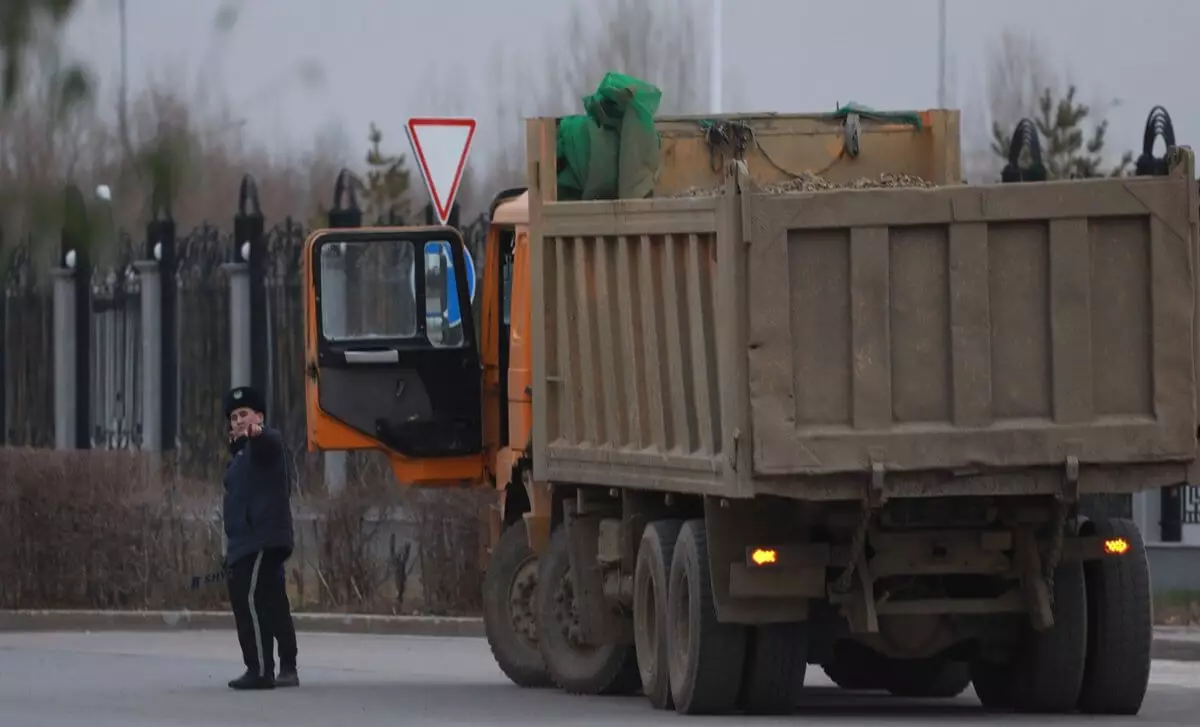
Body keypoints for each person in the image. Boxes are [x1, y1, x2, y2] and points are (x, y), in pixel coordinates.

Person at [222, 385, 299, 690]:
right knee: (271, 601)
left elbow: (271, 440)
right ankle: (286, 666)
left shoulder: (265, 445)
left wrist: (258, 432)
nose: (238, 420)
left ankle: (261, 670)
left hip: (261, 539)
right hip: (245, 543)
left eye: (244, 414)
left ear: (259, 416)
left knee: (250, 599)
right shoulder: (238, 459)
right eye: (234, 416)